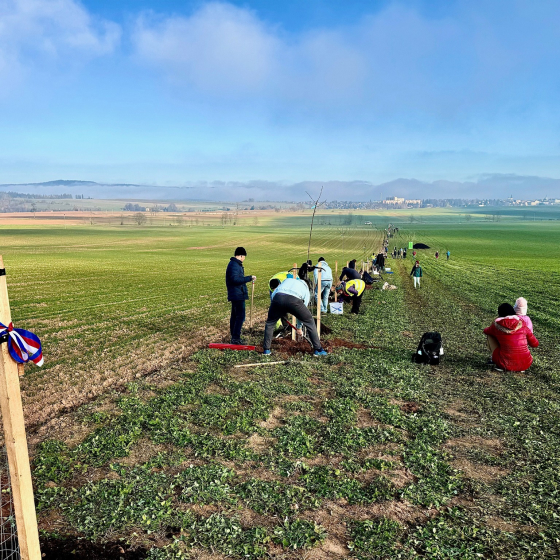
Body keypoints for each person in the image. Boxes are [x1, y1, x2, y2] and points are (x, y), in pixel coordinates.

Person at [263, 263, 327, 356]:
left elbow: (274, 295)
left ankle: (266, 350)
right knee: (309, 321)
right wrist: (299, 328)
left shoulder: (288, 280)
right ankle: (318, 349)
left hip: (277, 298)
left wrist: (277, 311)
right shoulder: (305, 288)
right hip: (294, 300)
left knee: (270, 323)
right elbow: (302, 314)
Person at [484, 303, 539, 372]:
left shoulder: (497, 325)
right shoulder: (523, 325)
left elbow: (486, 331)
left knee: (490, 335)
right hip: (525, 364)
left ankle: (494, 359)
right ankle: (519, 362)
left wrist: (493, 324)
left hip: (504, 364)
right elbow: (535, 344)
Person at [225, 247, 256, 344]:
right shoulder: (234, 265)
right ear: (241, 256)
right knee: (240, 316)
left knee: (235, 316)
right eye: (244, 257)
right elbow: (235, 280)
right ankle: (235, 338)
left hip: (237, 293)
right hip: (237, 294)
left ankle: (234, 336)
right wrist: (249, 278)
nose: (244, 259)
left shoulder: (234, 264)